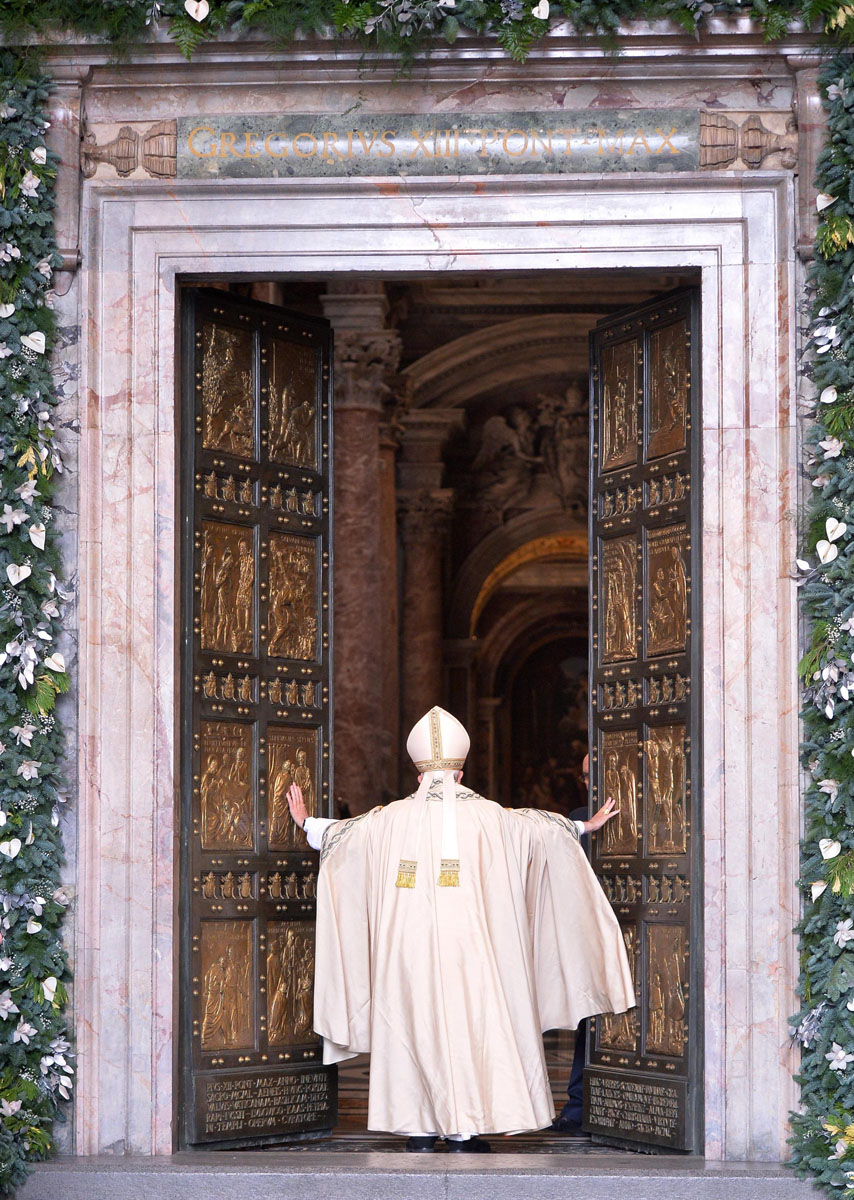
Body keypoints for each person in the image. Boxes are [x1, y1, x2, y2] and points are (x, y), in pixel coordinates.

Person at [286, 706, 634, 1153]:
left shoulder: (387, 818)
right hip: (474, 951)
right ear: (462, 773)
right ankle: (466, 1133)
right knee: (470, 1030)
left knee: (413, 1027)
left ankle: (419, 1130)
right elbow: (542, 831)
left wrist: (304, 823)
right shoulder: (493, 816)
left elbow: (341, 836)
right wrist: (583, 825)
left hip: (405, 955)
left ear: (418, 776)